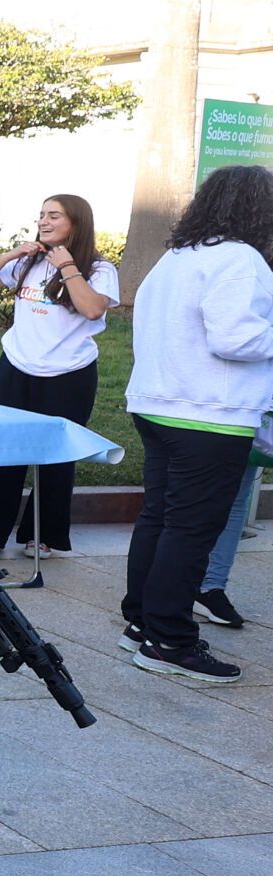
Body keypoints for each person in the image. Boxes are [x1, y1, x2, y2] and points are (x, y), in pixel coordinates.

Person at [119, 164, 273, 682]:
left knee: (160, 520)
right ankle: (170, 640)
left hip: (159, 404)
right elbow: (233, 338)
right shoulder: (242, 259)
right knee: (189, 530)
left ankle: (140, 624)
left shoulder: (177, 257)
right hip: (208, 415)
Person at [0, 195, 119, 556]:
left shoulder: (99, 269)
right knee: (0, 445)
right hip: (16, 365)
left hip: (70, 373)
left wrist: (67, 266)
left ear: (76, 223)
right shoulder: (28, 263)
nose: (44, 221)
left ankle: (43, 536)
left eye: (54, 216)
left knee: (56, 454)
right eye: (42, 215)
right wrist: (12, 255)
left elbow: (93, 309)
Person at [197, 435, 266, 630]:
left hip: (246, 414)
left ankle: (211, 586)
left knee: (237, 496)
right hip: (194, 417)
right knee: (183, 496)